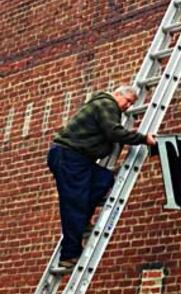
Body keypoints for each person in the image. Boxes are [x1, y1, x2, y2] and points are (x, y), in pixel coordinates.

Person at [47, 85, 156, 268]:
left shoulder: (104, 105)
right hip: (69, 156)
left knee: (103, 180)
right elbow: (114, 132)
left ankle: (82, 223)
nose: (127, 106)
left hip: (80, 159)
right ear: (117, 95)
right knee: (74, 203)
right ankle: (69, 254)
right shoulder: (107, 104)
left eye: (131, 103)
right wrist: (144, 139)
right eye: (127, 101)